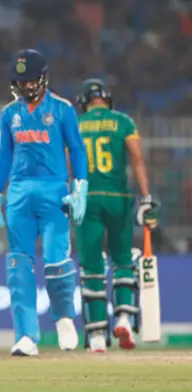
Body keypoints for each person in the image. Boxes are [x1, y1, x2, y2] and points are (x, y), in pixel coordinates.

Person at [0, 49, 88, 356]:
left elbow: (77, 150)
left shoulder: (63, 109)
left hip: (55, 192)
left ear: (43, 78)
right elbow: (2, 157)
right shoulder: (8, 114)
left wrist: (80, 186)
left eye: (31, 80)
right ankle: (26, 335)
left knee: (56, 262)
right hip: (18, 195)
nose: (26, 87)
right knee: (18, 265)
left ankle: (65, 318)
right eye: (20, 81)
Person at [74, 78, 160, 353]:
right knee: (123, 259)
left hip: (87, 198)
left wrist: (69, 195)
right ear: (106, 100)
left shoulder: (75, 124)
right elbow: (136, 158)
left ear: (85, 102)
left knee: (91, 266)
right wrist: (146, 198)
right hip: (119, 198)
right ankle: (123, 316)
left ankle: (98, 334)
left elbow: (67, 162)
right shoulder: (124, 121)